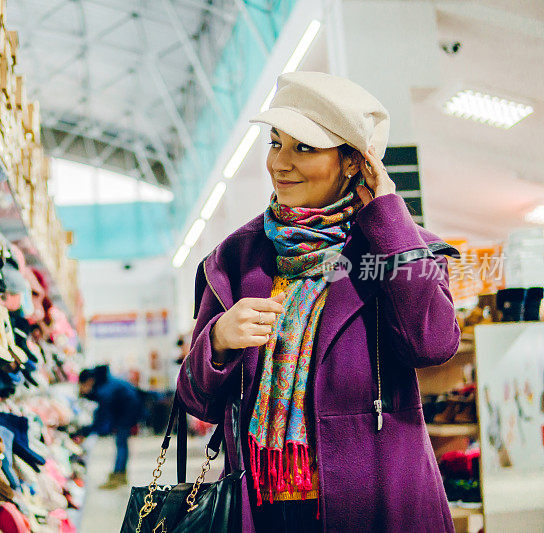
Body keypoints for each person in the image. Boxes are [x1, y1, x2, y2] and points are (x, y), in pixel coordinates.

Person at [176, 71, 461, 533]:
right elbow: (197, 400)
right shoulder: (235, 259)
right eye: (275, 143)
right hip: (261, 508)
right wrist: (219, 342)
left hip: (376, 505)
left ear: (353, 162)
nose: (280, 163)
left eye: (304, 147)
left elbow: (432, 344)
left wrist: (388, 214)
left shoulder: (400, 248)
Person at [75, 365, 143, 489]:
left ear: (89, 381)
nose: (83, 389)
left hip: (127, 410)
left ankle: (118, 476)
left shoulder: (105, 389)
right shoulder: (104, 382)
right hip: (126, 408)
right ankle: (120, 474)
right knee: (122, 443)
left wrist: (87, 431)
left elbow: (102, 417)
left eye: (83, 385)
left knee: (121, 443)